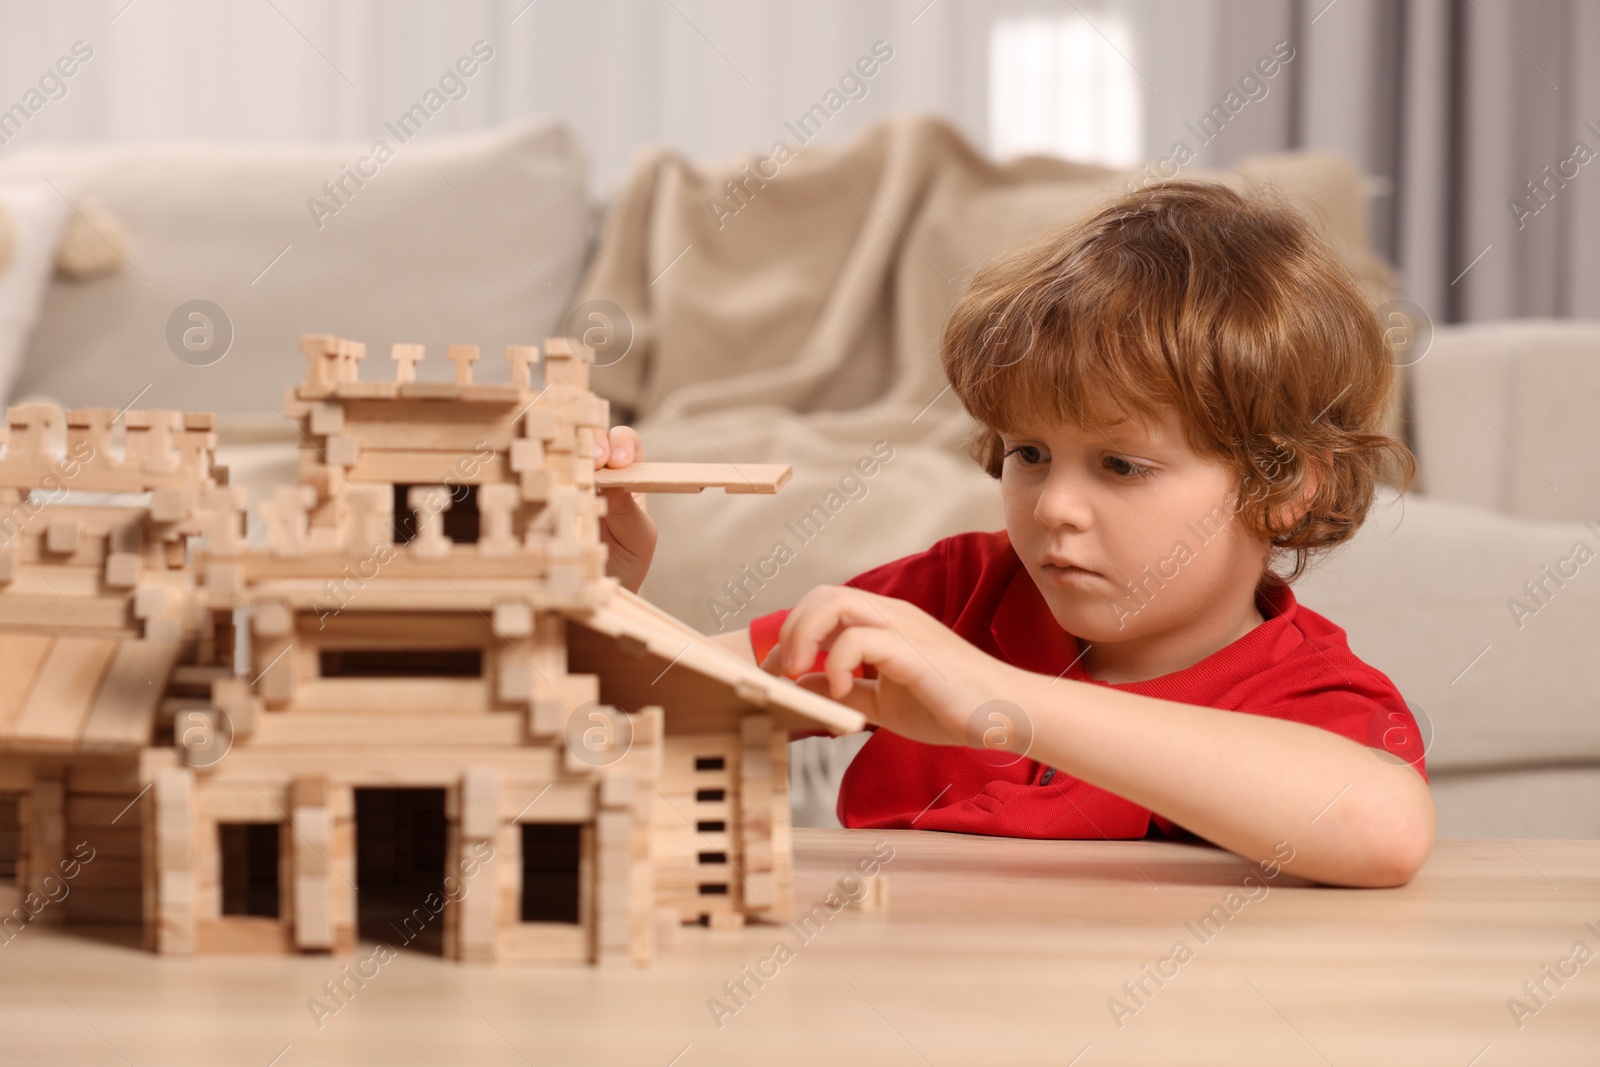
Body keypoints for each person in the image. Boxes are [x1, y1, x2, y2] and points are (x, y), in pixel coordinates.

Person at [589, 180, 1434, 888]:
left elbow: (1385, 826)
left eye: (1120, 466)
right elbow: (635, 703)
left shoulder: (1309, 692)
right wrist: (595, 591)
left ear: (1285, 486)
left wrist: (999, 699)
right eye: (1030, 452)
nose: (1053, 506)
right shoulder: (952, 593)